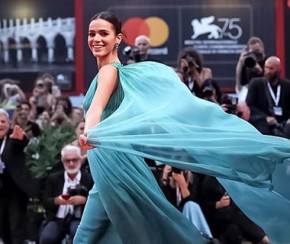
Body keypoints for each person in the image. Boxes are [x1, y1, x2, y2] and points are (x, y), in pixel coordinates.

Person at [75, 11, 290, 243]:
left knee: (108, 233)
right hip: (112, 162)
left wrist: (89, 131)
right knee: (122, 231)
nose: (96, 39)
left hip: (112, 163)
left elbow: (96, 108)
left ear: (118, 38)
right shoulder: (124, 76)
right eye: (91, 34)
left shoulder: (110, 71)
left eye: (103, 33)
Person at [39, 145, 93, 244]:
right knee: (46, 238)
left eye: (74, 160)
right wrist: (56, 201)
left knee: (78, 235)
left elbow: (97, 202)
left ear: (80, 160)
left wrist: (84, 200)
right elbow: (45, 201)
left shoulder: (88, 179)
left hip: (80, 219)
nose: (71, 163)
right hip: (57, 218)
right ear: (63, 162)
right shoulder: (54, 178)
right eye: (67, 161)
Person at [0, 109, 39, 244]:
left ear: (9, 123)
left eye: (3, 121)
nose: (0, 124)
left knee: (16, 225)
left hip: (14, 189)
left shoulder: (13, 136)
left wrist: (21, 138)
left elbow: (22, 142)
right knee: (3, 226)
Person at [246, 56, 290, 138]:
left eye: (271, 68)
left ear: (278, 70)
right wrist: (264, 118)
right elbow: (249, 105)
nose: (268, 71)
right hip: (262, 122)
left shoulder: (287, 86)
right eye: (266, 67)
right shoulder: (256, 84)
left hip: (283, 124)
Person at [235, 36, 266, 102]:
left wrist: (260, 71)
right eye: (252, 51)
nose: (255, 53)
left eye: (257, 50)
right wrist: (241, 61)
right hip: (247, 88)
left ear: (262, 49)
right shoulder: (246, 62)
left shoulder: (267, 61)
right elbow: (239, 81)